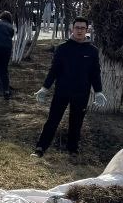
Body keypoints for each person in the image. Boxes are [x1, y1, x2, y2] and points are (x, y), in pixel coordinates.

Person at [34, 17, 106, 158]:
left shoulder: (92, 51)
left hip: (81, 93)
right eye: (77, 27)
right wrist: (45, 88)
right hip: (62, 91)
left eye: (82, 28)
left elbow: (95, 73)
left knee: (76, 122)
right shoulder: (63, 48)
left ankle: (72, 150)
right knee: (53, 120)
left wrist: (98, 91)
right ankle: (40, 148)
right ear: (72, 29)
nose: (79, 30)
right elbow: (54, 70)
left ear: (87, 30)